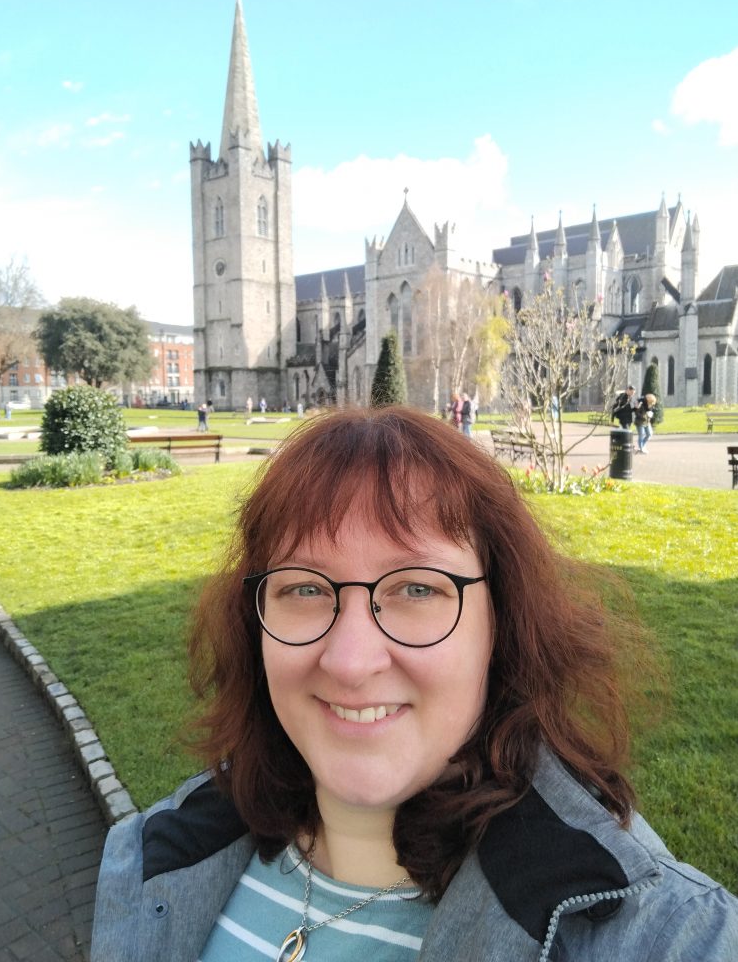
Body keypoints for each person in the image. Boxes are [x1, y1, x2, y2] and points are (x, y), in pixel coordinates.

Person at [91, 407, 738, 962]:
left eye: (418, 589)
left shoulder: (668, 933)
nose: (349, 661)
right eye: (304, 589)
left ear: (501, 625)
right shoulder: (146, 860)